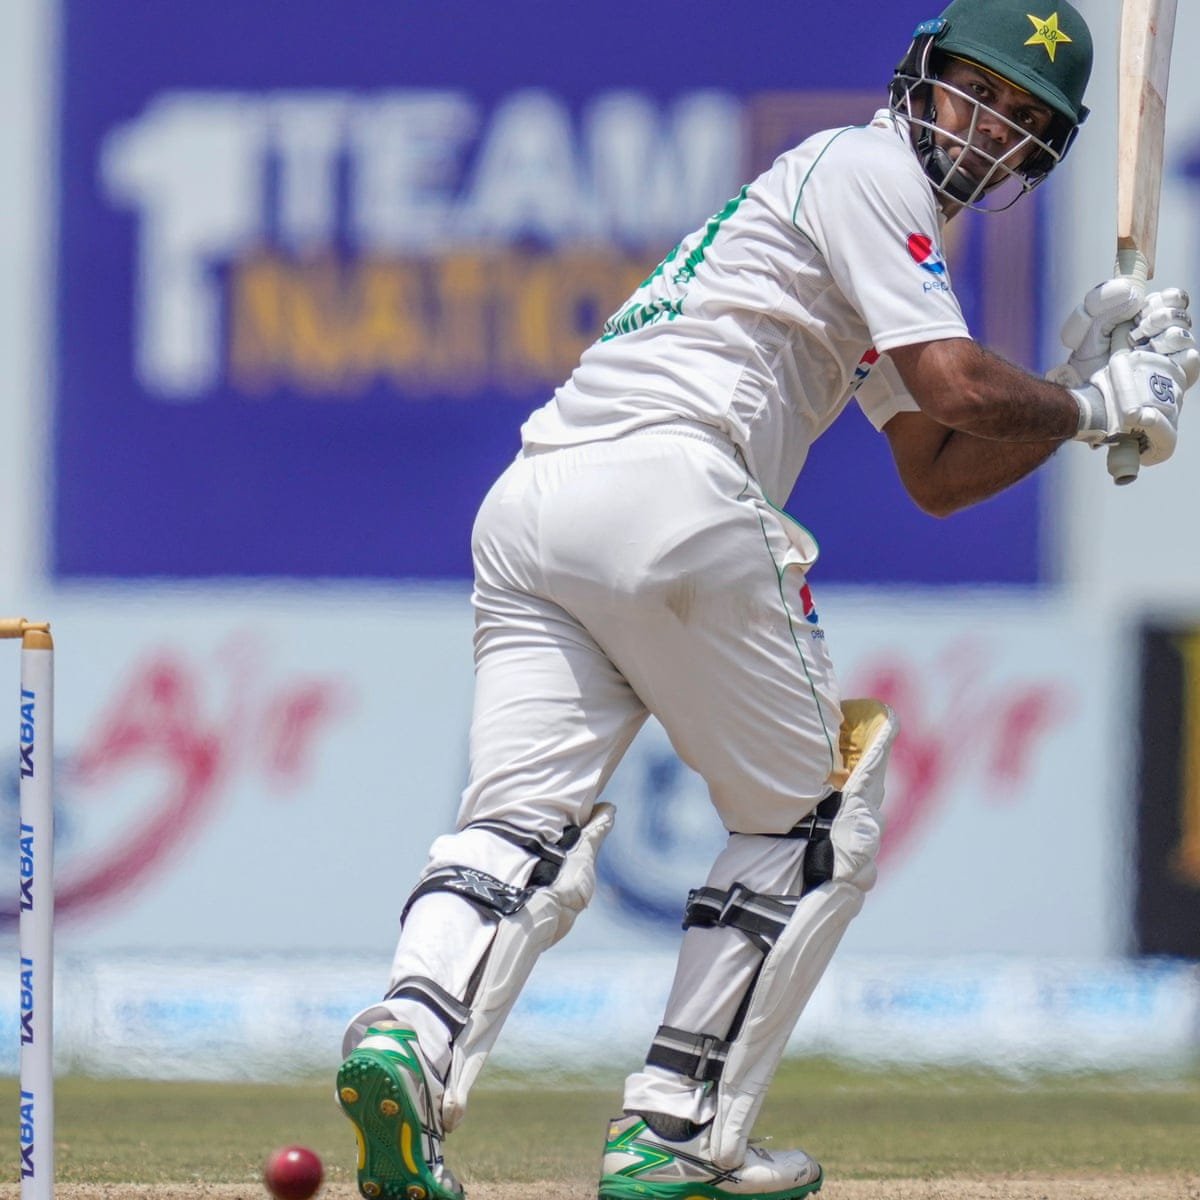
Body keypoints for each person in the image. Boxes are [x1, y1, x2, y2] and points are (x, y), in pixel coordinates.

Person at [335, 2, 1199, 1198]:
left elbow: (937, 472)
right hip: (672, 493)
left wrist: (1070, 386)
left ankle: (405, 1039)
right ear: (922, 80)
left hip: (537, 502)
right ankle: (677, 1135)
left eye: (1023, 120)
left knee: (520, 829)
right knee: (817, 815)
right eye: (979, 93)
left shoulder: (856, 223)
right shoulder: (867, 166)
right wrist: (1103, 408)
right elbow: (954, 379)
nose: (990, 129)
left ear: (1041, 157)